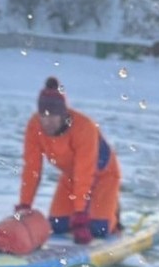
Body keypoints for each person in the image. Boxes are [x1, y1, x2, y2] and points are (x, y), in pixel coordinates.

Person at [16, 77, 121, 245]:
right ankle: (86, 212)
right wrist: (24, 205)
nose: (46, 122)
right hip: (72, 178)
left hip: (103, 176)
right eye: (43, 116)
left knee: (99, 229)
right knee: (58, 225)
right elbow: (32, 169)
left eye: (53, 117)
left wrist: (81, 216)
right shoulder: (34, 126)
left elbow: (85, 173)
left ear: (63, 115)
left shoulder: (84, 127)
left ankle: (114, 213)